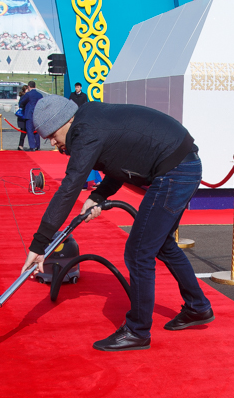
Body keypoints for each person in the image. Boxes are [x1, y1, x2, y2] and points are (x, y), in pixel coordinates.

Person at [21, 95, 214, 351]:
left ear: (67, 121)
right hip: (182, 165)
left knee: (138, 253)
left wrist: (39, 243)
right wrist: (98, 195)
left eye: (53, 135)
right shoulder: (90, 120)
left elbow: (69, 187)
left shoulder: (86, 132)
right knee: (163, 244)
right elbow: (120, 160)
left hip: (175, 171)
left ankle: (137, 331)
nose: (53, 143)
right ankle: (198, 307)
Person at [18, 80, 42, 150]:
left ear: (28, 86)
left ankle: (32, 146)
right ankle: (38, 146)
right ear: (35, 86)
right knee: (36, 131)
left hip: (29, 114)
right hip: (37, 114)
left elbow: (21, 103)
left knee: (30, 130)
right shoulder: (39, 95)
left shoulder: (28, 95)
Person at [15, 85, 28, 150]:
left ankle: (21, 145)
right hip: (23, 117)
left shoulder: (22, 96)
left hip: (23, 117)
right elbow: (21, 105)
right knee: (24, 131)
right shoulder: (24, 97)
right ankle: (20, 145)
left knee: (24, 132)